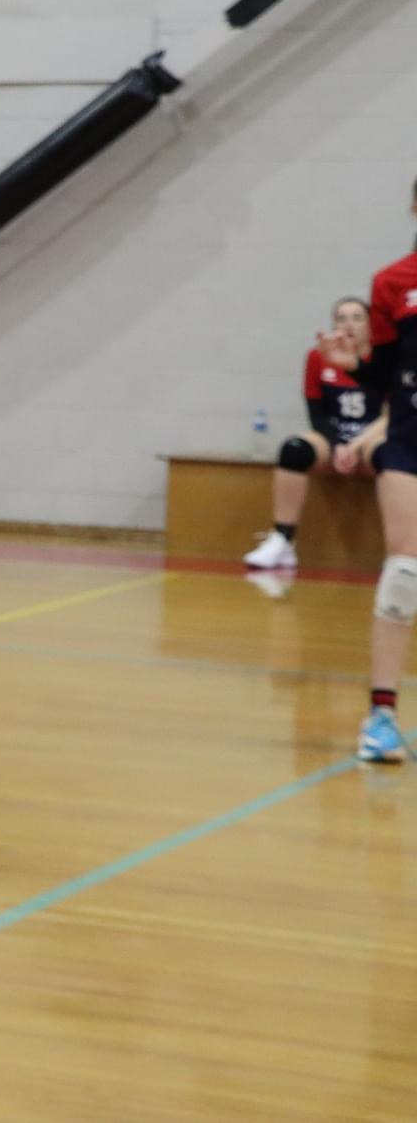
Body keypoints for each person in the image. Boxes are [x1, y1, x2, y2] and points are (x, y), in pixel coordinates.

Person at [321, 176, 417, 763]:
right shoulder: (393, 282)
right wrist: (349, 364)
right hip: (410, 443)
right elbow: (383, 377)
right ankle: (382, 715)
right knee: (405, 571)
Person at [244, 296, 386, 570]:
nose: (348, 325)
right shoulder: (318, 357)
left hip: (369, 440)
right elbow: (316, 413)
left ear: (371, 324)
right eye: (341, 318)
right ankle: (283, 540)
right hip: (332, 438)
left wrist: (355, 446)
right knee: (294, 449)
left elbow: (391, 417)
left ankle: (401, 550)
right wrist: (336, 446)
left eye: (357, 318)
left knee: (393, 457)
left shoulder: (383, 361)